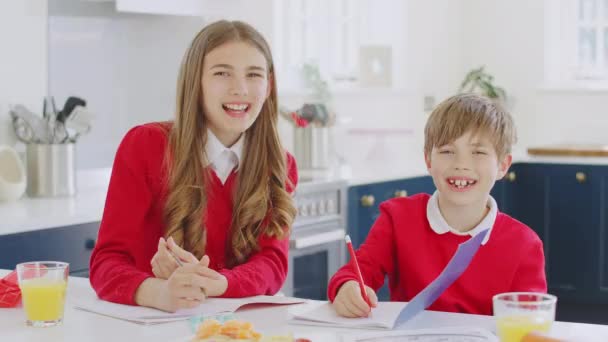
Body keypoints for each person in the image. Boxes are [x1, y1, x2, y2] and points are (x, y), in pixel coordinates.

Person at [89, 20, 298, 312]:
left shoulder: (281, 164)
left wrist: (213, 283)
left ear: (268, 86)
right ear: (195, 81)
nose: (240, 89)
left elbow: (272, 264)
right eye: (222, 73)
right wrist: (159, 292)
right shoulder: (145, 146)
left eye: (254, 75)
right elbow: (106, 264)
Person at [329, 93, 547, 317]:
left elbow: (530, 321)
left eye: (478, 152)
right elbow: (356, 272)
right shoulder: (397, 218)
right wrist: (348, 288)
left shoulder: (524, 244)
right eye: (447, 151)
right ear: (428, 160)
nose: (461, 164)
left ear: (502, 165)